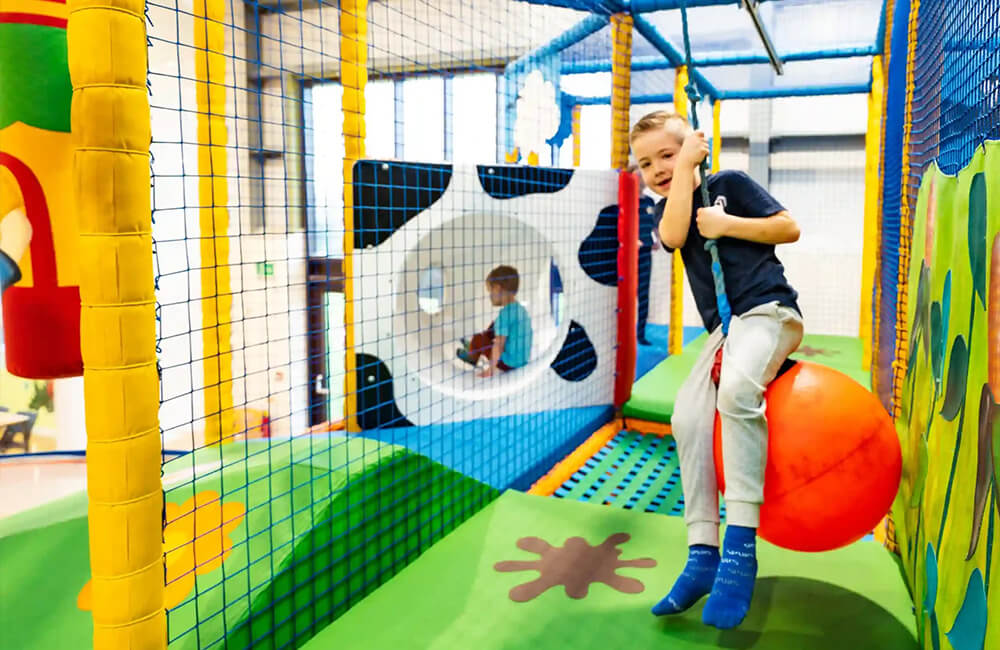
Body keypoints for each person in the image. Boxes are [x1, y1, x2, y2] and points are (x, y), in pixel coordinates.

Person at [630, 110, 803, 629]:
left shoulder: (728, 184)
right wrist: (683, 171)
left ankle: (740, 549)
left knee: (735, 395)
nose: (658, 168)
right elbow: (673, 235)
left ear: (696, 148)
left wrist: (728, 225)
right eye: (646, 163)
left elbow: (788, 227)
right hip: (726, 330)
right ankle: (701, 552)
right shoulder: (674, 205)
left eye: (667, 153)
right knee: (685, 417)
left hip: (769, 313)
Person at [457, 265, 533, 378]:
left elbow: (499, 345)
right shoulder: (520, 309)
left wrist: (491, 370)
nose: (490, 296)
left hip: (508, 363)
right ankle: (474, 347)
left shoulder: (505, 314)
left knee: (478, 338)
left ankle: (473, 354)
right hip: (522, 360)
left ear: (497, 288)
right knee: (495, 325)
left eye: (490, 291)